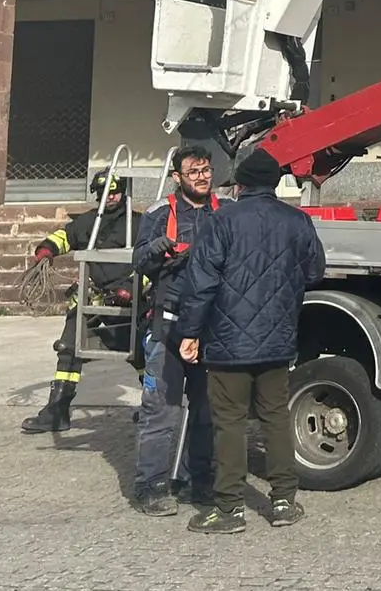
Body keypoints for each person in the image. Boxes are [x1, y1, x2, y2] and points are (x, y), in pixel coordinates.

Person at [176, 147, 324, 534]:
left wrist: (190, 332)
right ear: (275, 184)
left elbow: (201, 283)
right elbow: (315, 271)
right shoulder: (298, 221)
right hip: (277, 339)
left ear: (240, 184)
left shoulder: (221, 221)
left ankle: (229, 509)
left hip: (227, 344)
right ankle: (283, 502)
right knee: (275, 417)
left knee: (230, 423)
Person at [127, 143, 228, 515]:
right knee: (161, 410)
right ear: (177, 177)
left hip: (210, 328)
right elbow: (137, 261)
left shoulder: (225, 212)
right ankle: (150, 486)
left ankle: (196, 482)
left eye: (206, 171)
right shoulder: (159, 213)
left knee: (206, 410)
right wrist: (157, 249)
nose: (202, 178)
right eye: (193, 172)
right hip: (168, 326)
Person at [21, 169, 137, 435]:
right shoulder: (87, 222)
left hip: (130, 302)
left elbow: (152, 261)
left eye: (115, 191)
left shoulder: (140, 224)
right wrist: (46, 250)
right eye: (105, 193)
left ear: (124, 192)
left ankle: (153, 408)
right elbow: (65, 236)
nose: (111, 197)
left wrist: (132, 288)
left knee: (140, 352)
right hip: (92, 298)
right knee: (69, 349)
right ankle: (57, 411)